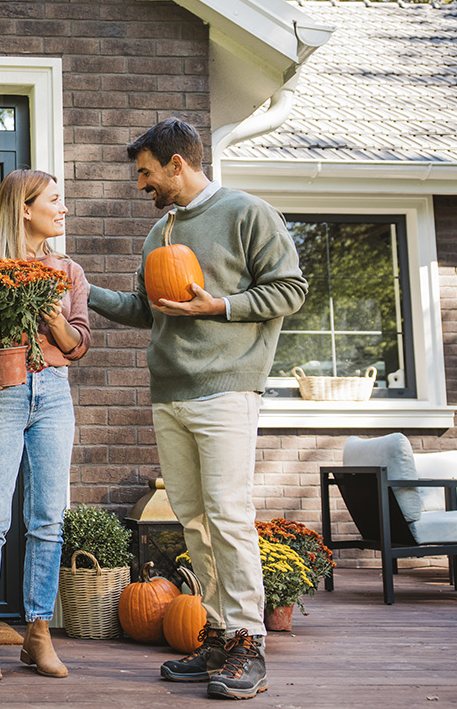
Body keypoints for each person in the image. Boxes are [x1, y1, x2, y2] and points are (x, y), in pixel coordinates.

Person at [87, 118, 307, 700]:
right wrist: (83, 291)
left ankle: (247, 644)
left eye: (145, 172)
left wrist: (220, 307)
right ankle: (214, 633)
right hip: (171, 394)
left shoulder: (245, 212)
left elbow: (289, 289)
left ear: (176, 165)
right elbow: (145, 309)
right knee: (192, 520)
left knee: (229, 515)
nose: (141, 184)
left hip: (228, 388)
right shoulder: (160, 231)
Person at [0, 169, 91, 682]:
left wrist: (53, 313)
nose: (63, 210)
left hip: (54, 395)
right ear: (24, 209)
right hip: (0, 395)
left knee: (48, 519)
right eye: (55, 201)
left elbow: (78, 343)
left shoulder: (69, 270)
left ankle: (38, 633)